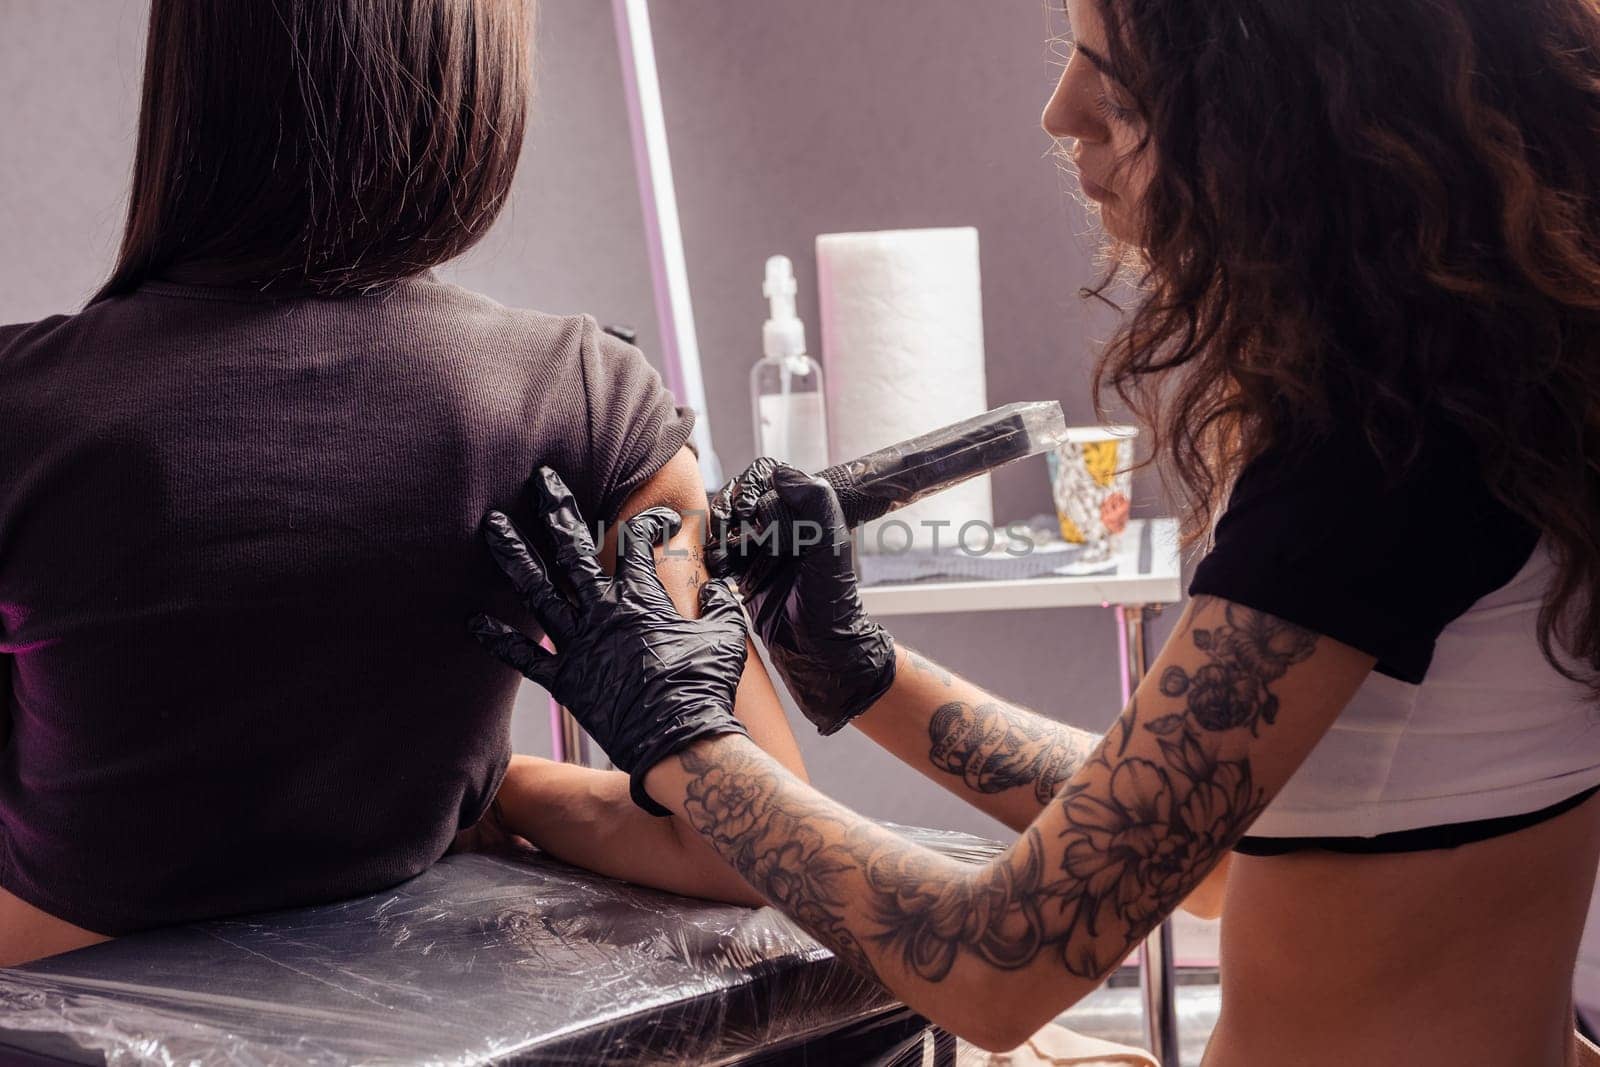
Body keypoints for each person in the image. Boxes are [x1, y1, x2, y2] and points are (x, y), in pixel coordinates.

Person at [470, 0, 1600, 1063]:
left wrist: (686, 743)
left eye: (1115, 85)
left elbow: (991, 965)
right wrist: (858, 672)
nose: (1060, 113)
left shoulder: (1369, 466)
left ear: (1291, 116)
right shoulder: (1503, 399)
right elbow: (1196, 851)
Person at [0, 0, 805, 966]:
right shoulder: (581, 394)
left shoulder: (25, 402)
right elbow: (751, 847)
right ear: (474, 79)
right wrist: (497, 788)